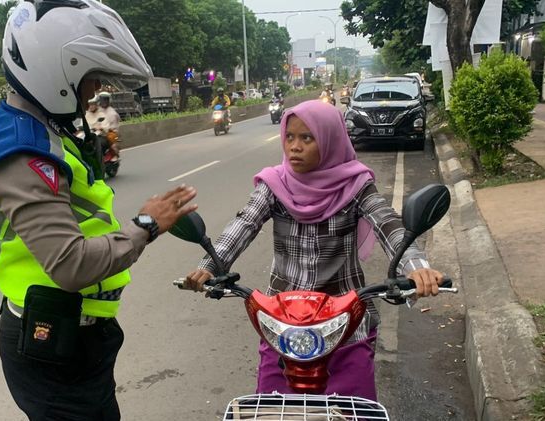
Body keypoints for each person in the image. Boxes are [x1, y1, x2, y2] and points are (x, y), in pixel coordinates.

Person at [0, 1, 198, 419]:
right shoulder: (22, 151)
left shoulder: (45, 132)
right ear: (54, 71)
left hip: (74, 337)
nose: (93, 92)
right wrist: (146, 224)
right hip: (54, 344)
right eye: (89, 78)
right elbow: (70, 264)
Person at [183, 100, 444, 401]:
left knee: (355, 412)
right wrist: (210, 266)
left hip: (346, 322)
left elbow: (387, 223)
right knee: (268, 410)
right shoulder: (274, 183)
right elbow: (243, 224)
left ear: (330, 140)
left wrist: (415, 266)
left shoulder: (356, 185)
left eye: (307, 138)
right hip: (281, 324)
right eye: (290, 137)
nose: (294, 147)